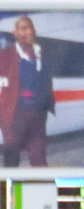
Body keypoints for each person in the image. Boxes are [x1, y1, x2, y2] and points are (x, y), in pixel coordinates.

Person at [0, 16, 53, 168]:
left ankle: (42, 191)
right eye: (23, 28)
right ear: (15, 32)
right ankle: (9, 191)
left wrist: (45, 107)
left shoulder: (41, 54)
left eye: (31, 28)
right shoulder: (5, 55)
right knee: (11, 162)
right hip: (14, 117)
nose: (29, 32)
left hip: (37, 117)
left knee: (39, 161)